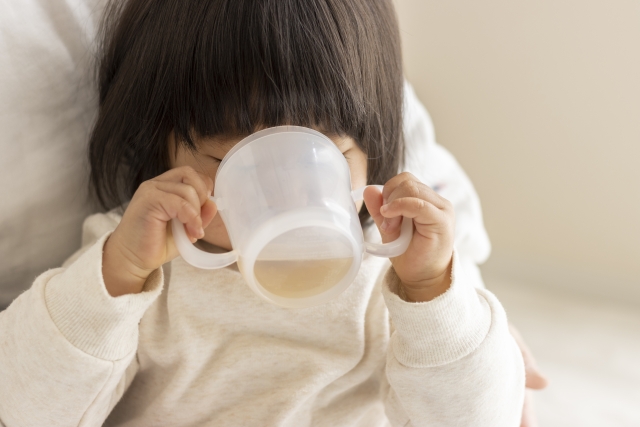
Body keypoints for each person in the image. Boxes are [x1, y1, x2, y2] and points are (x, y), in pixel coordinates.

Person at [0, 0, 533, 425]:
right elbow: (24, 409)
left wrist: (434, 292)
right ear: (158, 151)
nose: (285, 189)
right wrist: (113, 280)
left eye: (324, 156)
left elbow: (482, 419)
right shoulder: (134, 264)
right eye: (232, 160)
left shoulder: (392, 283)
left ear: (374, 149)